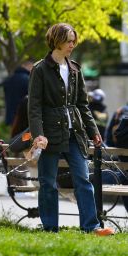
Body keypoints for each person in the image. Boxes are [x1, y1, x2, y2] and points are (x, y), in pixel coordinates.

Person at [28, 23, 114, 235]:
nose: (72, 44)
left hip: (75, 132)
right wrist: (38, 134)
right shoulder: (40, 69)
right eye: (69, 40)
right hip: (49, 133)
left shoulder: (75, 68)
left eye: (74, 40)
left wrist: (93, 130)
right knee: (47, 182)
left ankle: (91, 226)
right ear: (56, 41)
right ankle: (50, 229)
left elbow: (83, 104)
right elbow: (34, 107)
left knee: (83, 179)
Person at [3, 60, 33, 125]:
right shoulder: (28, 79)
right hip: (24, 116)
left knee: (15, 134)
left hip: (11, 116)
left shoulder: (9, 79)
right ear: (30, 66)